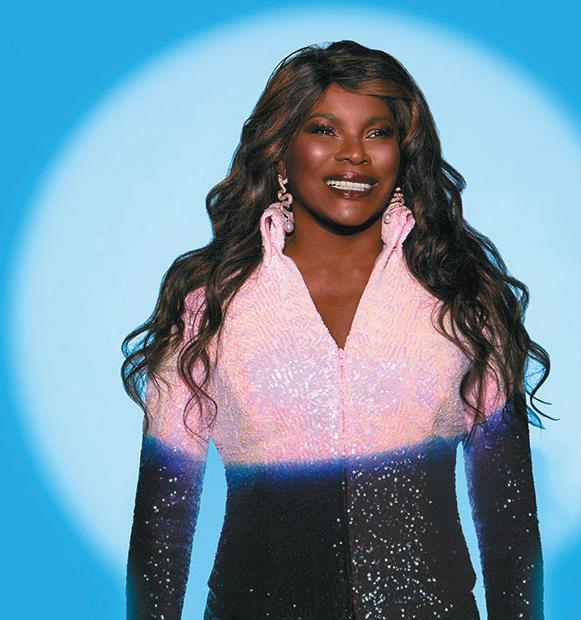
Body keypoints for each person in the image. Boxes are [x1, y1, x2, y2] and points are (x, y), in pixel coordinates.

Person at [122, 39, 551, 620]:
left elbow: (510, 528)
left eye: (377, 133)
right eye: (324, 130)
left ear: (403, 155)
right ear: (281, 154)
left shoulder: (464, 305)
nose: (354, 155)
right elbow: (161, 532)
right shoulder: (208, 309)